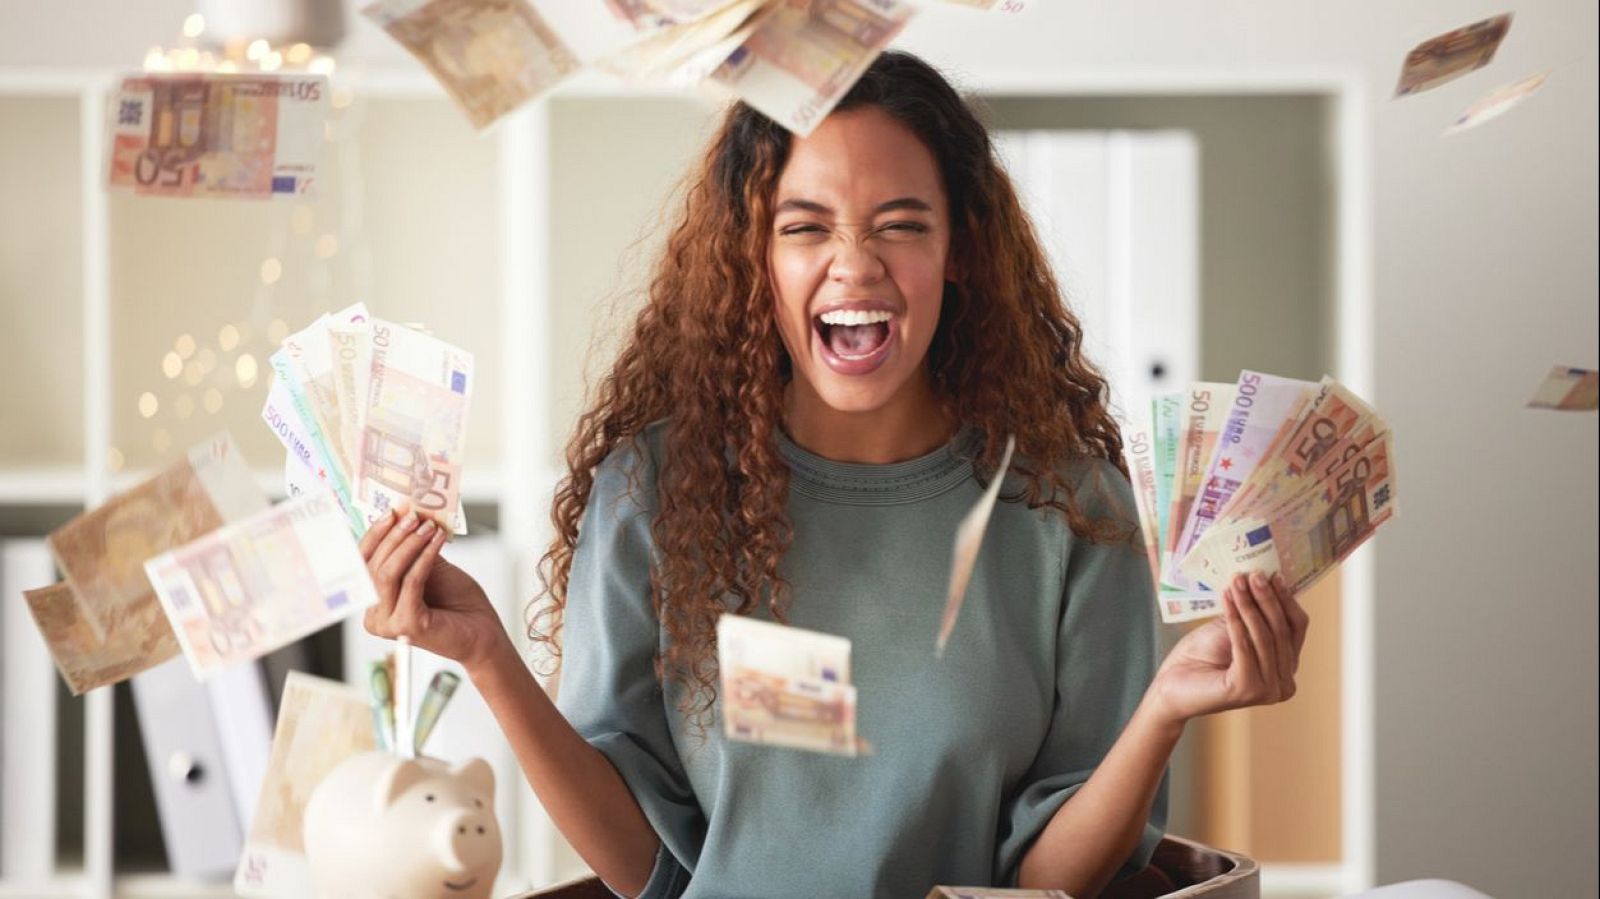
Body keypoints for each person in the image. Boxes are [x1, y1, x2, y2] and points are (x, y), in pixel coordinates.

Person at [359, 50, 1309, 899]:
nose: (855, 266)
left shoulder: (1071, 510)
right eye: (805, 227)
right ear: (751, 259)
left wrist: (1166, 711)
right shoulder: (652, 493)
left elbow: (1046, 884)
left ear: (961, 253)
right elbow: (643, 869)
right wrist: (487, 652)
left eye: (900, 225)